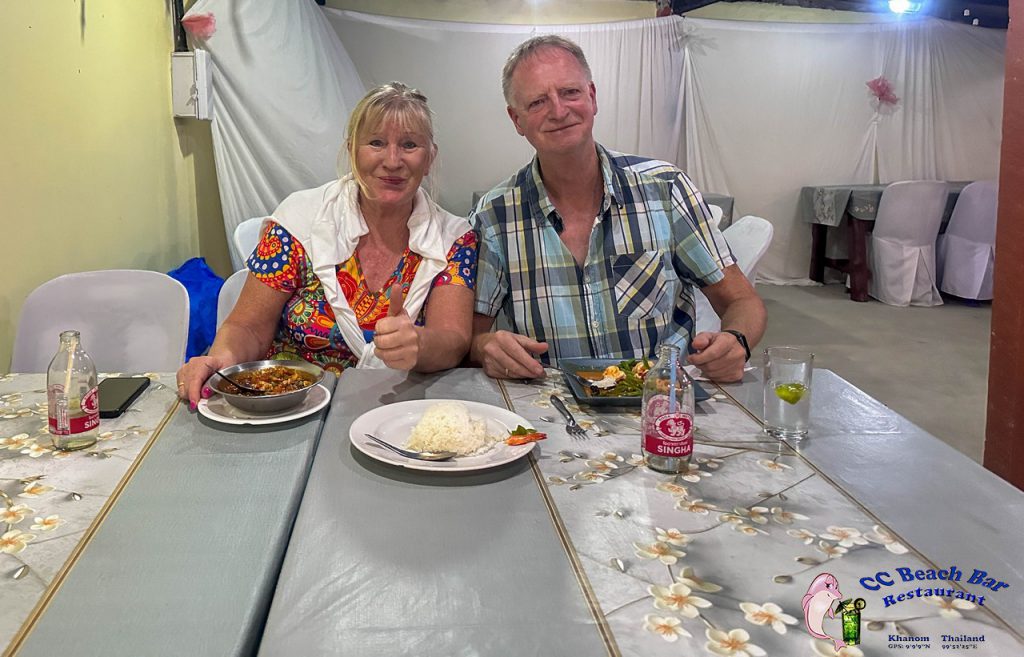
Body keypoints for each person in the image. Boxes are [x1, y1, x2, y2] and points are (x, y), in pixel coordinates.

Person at [470, 36, 766, 383]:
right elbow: (471, 336)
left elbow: (742, 300)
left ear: (592, 97)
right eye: (537, 102)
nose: (559, 111)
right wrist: (486, 347)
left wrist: (736, 341)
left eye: (570, 92)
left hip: (657, 400)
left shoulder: (665, 189)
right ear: (516, 120)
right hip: (549, 403)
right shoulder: (495, 216)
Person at [177, 82, 477, 407]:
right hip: (293, 405)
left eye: (409, 145)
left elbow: (454, 340)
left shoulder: (454, 238)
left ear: (430, 157)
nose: (392, 161)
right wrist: (221, 360)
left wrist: (419, 344)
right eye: (376, 143)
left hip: (400, 409)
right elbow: (248, 328)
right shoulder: (297, 222)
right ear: (352, 151)